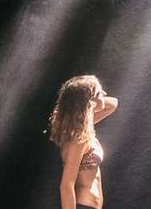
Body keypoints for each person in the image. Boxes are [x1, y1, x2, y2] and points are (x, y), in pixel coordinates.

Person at [48, 74, 118, 209]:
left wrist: (94, 98)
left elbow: (113, 104)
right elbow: (66, 185)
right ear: (89, 99)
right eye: (100, 92)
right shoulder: (78, 138)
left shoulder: (84, 127)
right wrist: (90, 96)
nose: (104, 94)